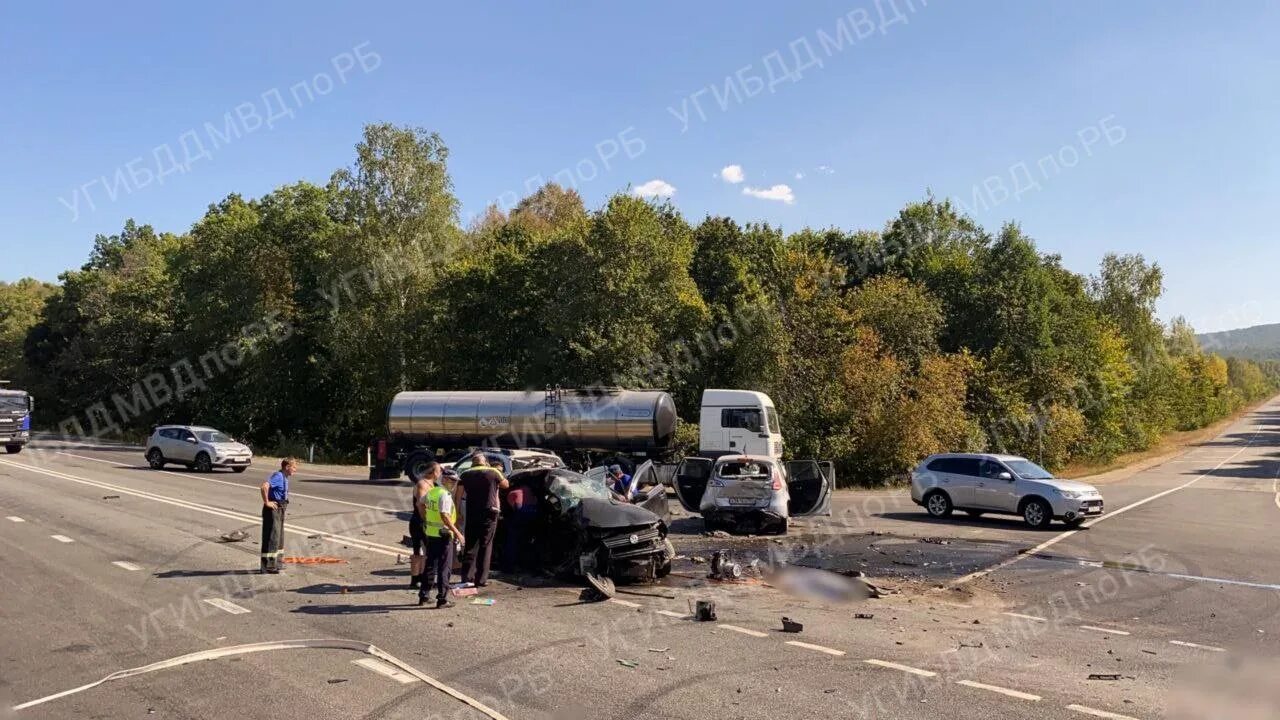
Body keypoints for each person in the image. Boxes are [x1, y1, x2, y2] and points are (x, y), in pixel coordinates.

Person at [454, 453, 508, 587]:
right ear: (485, 462)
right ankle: (481, 579)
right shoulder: (493, 472)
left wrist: (457, 512)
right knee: (486, 544)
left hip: (472, 512)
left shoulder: (465, 474)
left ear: (473, 463)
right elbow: (505, 485)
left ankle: (466, 577)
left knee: (470, 545)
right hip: (489, 512)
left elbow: (458, 495)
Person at [417, 461, 462, 608]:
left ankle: (424, 595)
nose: (454, 484)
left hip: (431, 533)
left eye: (456, 481)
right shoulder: (444, 495)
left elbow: (420, 504)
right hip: (444, 535)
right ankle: (442, 599)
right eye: (452, 481)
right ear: (445, 480)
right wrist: (458, 534)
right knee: (445, 567)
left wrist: (426, 520)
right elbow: (445, 516)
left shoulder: (432, 492)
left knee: (430, 565)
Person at [259, 458, 296, 574]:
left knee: (279, 537)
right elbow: (264, 486)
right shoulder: (278, 476)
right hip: (273, 509)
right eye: (294, 467)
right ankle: (268, 566)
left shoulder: (285, 477)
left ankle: (277, 563)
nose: (295, 470)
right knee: (272, 537)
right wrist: (267, 502)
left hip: (281, 508)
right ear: (287, 467)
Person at [502, 480, 538, 572]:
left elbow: (513, 508)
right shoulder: (531, 491)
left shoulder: (512, 493)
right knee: (527, 541)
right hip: (533, 515)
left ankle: (509, 567)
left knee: (512, 541)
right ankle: (527, 565)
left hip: (519, 515)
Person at [408, 464, 433, 588]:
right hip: (420, 522)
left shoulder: (431, 484)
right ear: (432, 472)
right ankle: (418, 579)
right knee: (421, 551)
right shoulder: (422, 484)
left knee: (423, 551)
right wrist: (426, 520)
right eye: (439, 470)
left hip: (420, 521)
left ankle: (420, 578)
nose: (441, 472)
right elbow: (420, 504)